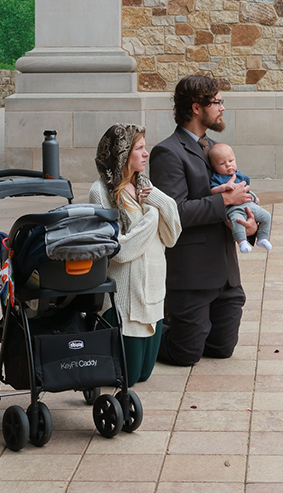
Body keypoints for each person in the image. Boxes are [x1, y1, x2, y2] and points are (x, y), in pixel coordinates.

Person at [149, 75, 258, 367]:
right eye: (217, 102)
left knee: (222, 349)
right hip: (191, 276)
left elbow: (235, 201)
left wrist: (249, 227)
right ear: (197, 108)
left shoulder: (215, 148)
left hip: (225, 275)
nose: (222, 107)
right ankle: (141, 335)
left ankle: (195, 326)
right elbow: (175, 213)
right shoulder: (167, 152)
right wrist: (224, 201)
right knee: (186, 355)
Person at [89, 123, 181, 386]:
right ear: (122, 154)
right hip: (125, 301)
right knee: (126, 379)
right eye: (139, 148)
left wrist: (162, 202)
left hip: (152, 295)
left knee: (142, 376)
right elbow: (119, 250)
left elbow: (172, 237)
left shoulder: (144, 186)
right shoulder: (100, 191)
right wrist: (152, 216)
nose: (146, 153)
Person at [209, 142, 272, 254]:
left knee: (266, 216)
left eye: (231, 161)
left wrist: (253, 197)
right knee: (237, 221)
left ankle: (262, 238)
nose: (228, 165)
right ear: (214, 167)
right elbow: (212, 191)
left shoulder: (239, 175)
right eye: (222, 163)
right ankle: (242, 242)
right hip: (233, 208)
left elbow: (246, 189)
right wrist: (223, 187)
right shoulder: (217, 178)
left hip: (249, 204)